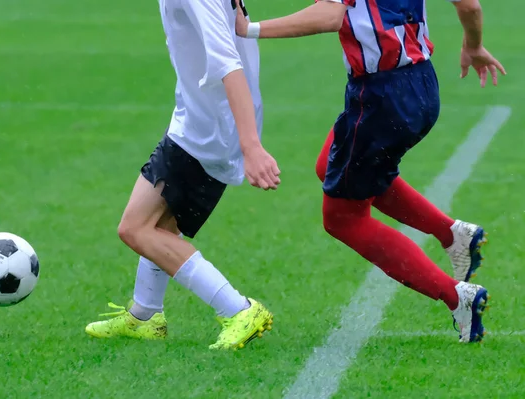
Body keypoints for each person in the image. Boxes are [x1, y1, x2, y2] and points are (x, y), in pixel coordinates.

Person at [234, 0, 506, 342]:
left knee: (342, 218)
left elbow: (331, 15)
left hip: (381, 96)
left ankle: (458, 298)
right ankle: (454, 235)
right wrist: (474, 44)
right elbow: (469, 5)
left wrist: (251, 30)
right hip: (421, 83)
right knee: (331, 166)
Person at [85, 0, 280, 350]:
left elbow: (227, 62)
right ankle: (145, 315)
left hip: (210, 129)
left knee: (135, 228)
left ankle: (239, 310)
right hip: (198, 118)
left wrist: (251, 146)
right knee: (160, 221)